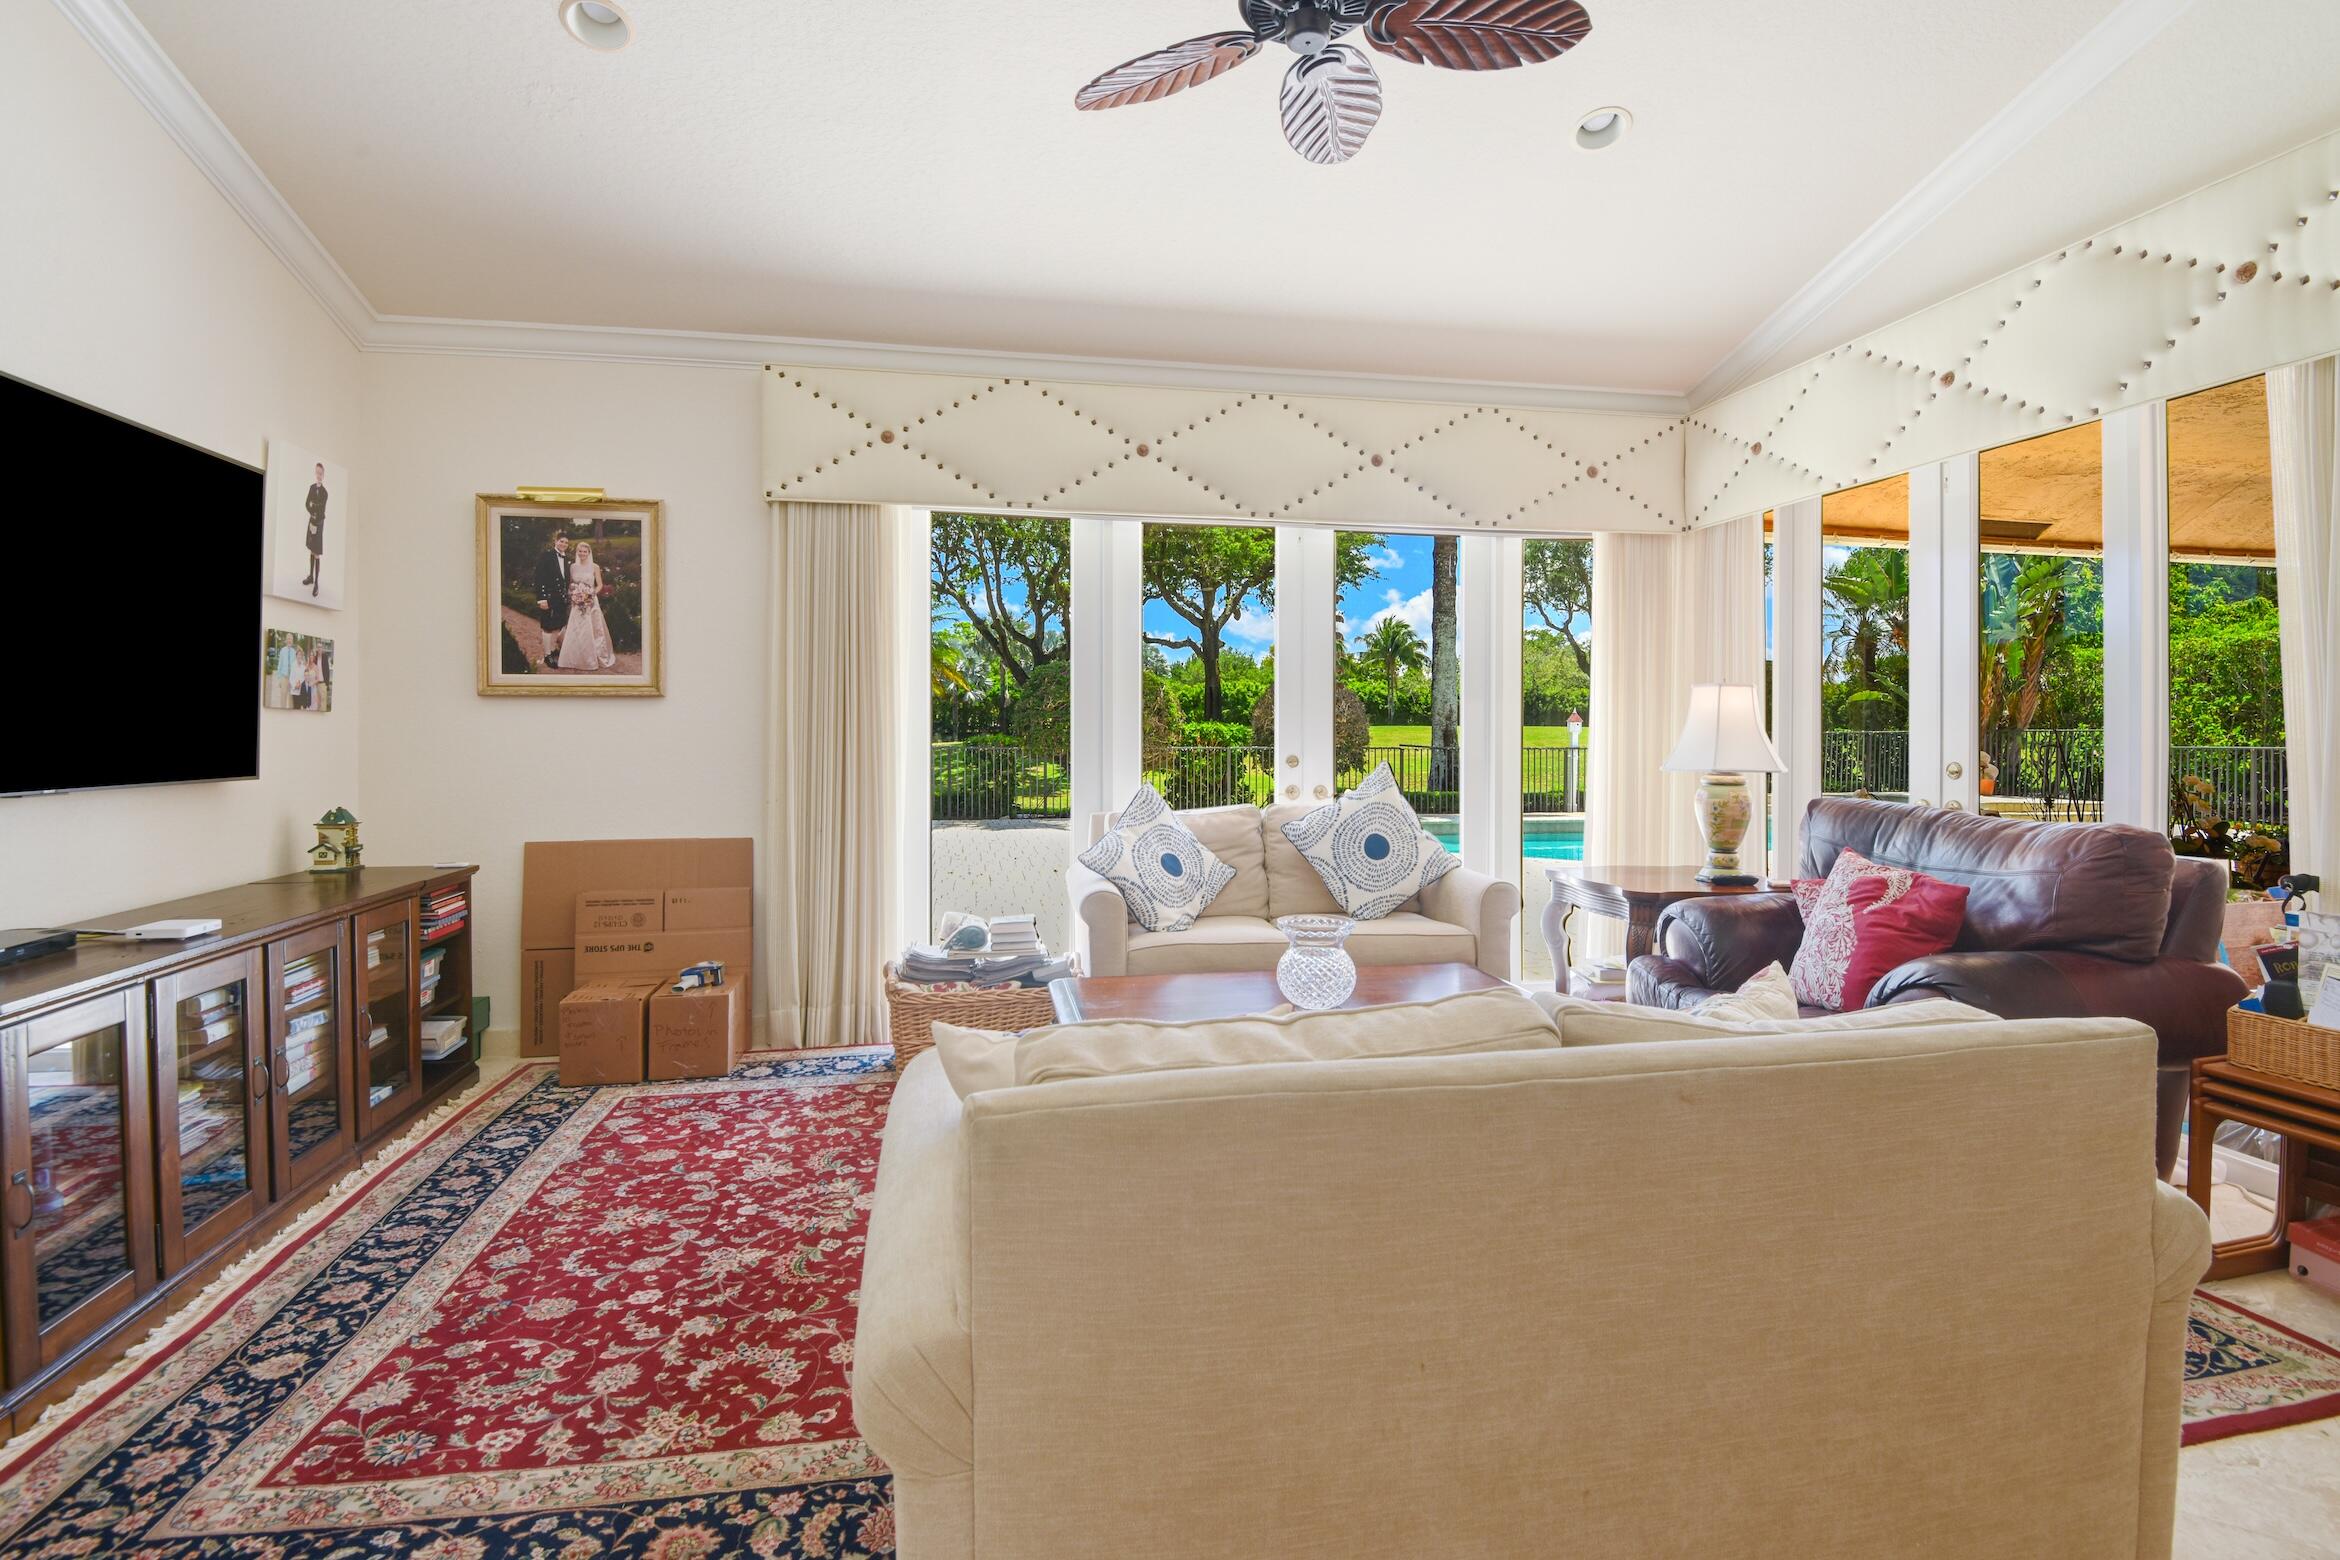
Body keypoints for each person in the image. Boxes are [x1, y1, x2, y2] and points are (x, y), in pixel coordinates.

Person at [556, 541, 617, 671]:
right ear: (577, 552)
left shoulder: (594, 567)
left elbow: (600, 584)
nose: (582, 553)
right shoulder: (572, 567)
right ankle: (573, 658)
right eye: (580, 551)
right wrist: (573, 593)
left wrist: (591, 594)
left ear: (589, 553)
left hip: (591, 602)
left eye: (585, 551)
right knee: (576, 629)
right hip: (577, 602)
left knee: (592, 629)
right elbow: (571, 584)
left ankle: (591, 659)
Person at [533, 530, 574, 666]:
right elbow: (539, 577)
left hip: (561, 599)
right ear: (555, 541)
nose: (564, 544)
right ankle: (547, 655)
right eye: (561, 541)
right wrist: (542, 598)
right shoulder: (547, 556)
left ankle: (551, 650)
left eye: (566, 542)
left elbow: (565, 580)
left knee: (557, 626)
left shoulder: (567, 559)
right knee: (547, 627)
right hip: (549, 598)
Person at [301, 463, 328, 596]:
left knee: (316, 553)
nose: (318, 475)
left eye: (321, 473)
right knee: (311, 550)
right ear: (315, 473)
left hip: (319, 523)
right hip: (312, 521)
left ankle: (316, 583)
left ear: (323, 475)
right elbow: (307, 503)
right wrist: (312, 510)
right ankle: (310, 577)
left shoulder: (324, 493)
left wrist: (314, 507)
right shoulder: (311, 488)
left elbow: (321, 508)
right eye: (317, 473)